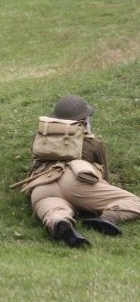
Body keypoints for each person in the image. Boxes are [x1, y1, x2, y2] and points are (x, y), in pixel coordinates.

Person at [14, 95, 140, 247]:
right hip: (77, 181)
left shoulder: (42, 138)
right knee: (135, 202)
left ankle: (61, 224)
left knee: (53, 212)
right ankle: (108, 218)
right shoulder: (92, 143)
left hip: (42, 185)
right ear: (84, 121)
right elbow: (104, 177)